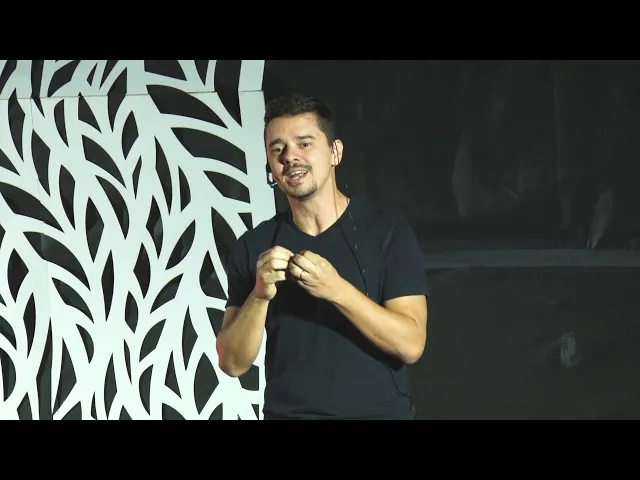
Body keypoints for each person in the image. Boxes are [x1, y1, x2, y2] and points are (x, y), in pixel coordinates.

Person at [216, 93, 428, 420]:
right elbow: (232, 363)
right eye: (278, 149)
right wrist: (259, 295)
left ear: (335, 152)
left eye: (304, 143)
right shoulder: (254, 246)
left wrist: (335, 289)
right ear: (270, 165)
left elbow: (411, 345)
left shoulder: (387, 232)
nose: (290, 156)